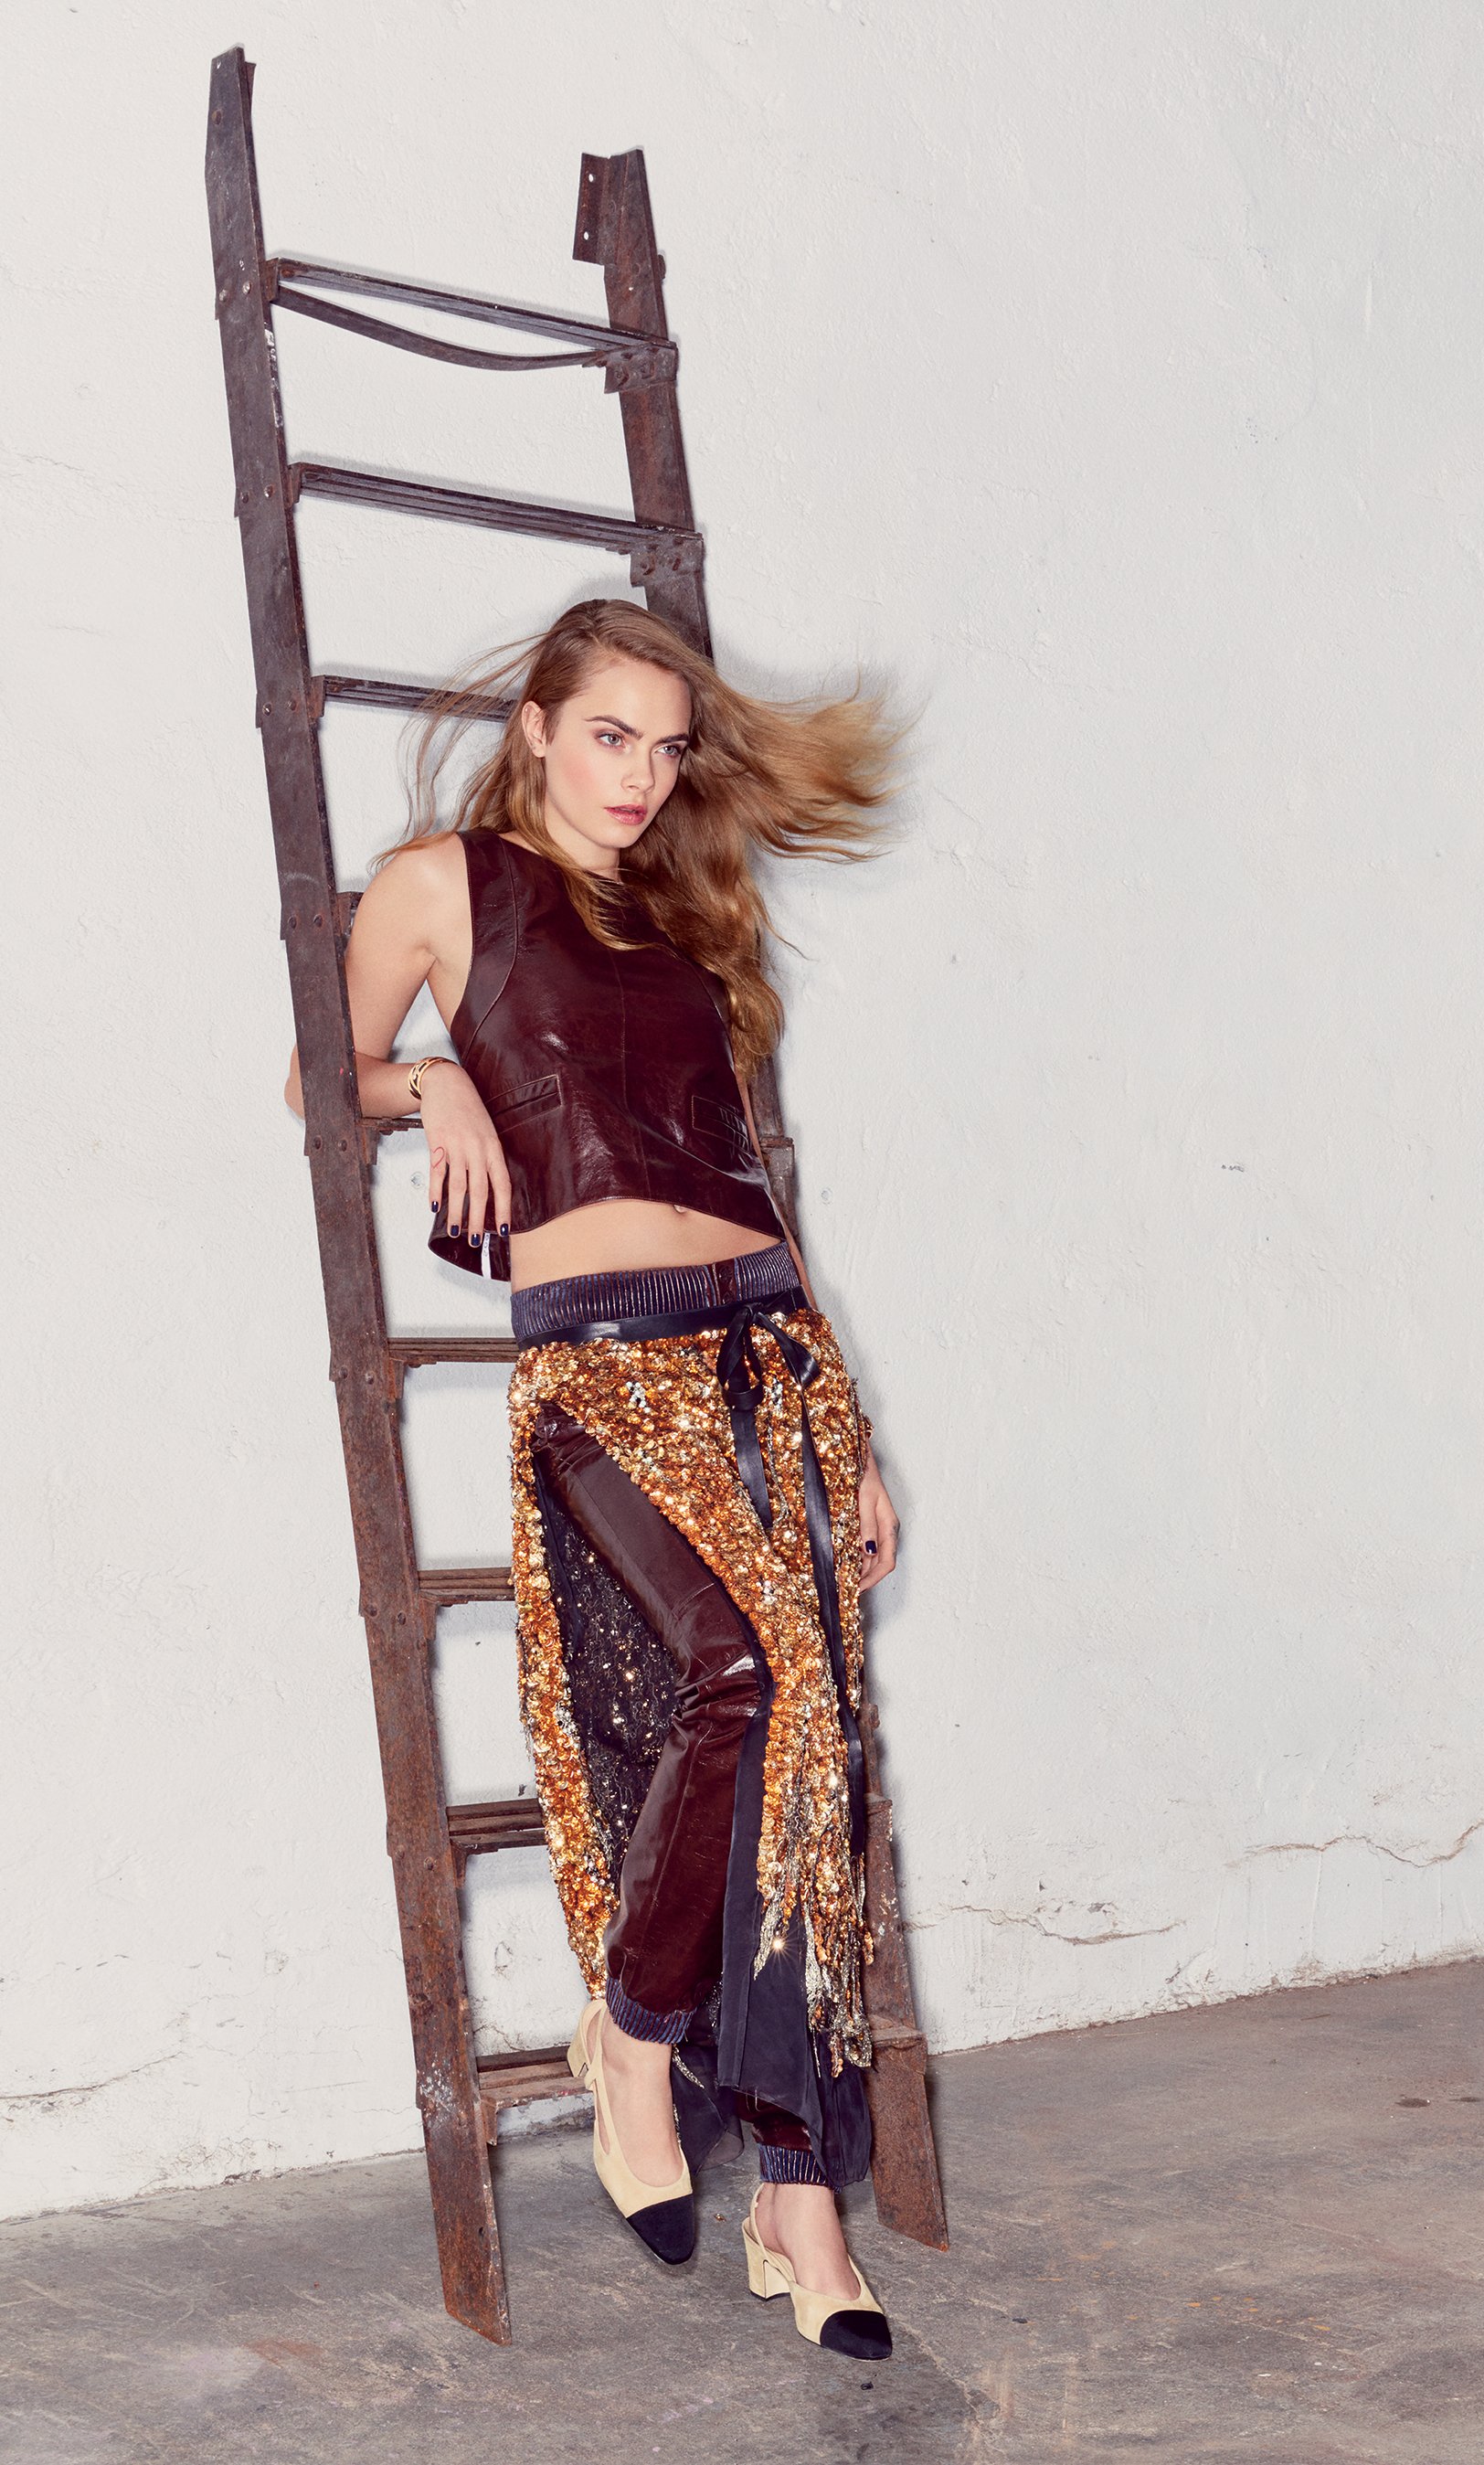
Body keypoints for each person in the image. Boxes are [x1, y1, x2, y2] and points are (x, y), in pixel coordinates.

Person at [283, 598, 903, 2359]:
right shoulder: (441, 885)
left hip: (757, 1349)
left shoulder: (689, 914)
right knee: (735, 1679)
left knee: (810, 1766)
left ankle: (799, 2202)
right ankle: (633, 2036)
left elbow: (751, 1179)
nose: (639, 776)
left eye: (665, 748)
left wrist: (848, 1427)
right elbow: (315, 1072)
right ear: (540, 727)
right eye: (609, 736)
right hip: (601, 1369)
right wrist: (425, 1083)